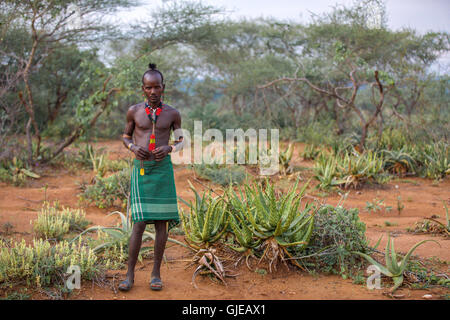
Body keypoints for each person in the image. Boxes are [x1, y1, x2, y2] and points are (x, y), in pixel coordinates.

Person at [119, 63, 184, 291]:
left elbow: (182, 139)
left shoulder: (172, 113)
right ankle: (129, 276)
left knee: (161, 224)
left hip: (163, 169)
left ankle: (156, 274)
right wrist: (133, 148)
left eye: (157, 87)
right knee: (138, 224)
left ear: (163, 87)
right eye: (149, 88)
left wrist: (170, 149)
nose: (153, 92)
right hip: (142, 169)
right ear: (143, 89)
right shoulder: (134, 111)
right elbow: (126, 136)